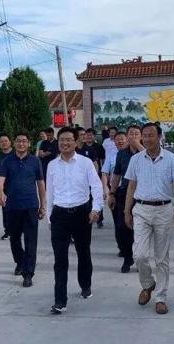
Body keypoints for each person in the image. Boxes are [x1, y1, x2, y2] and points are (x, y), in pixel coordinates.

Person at [124, 123, 174, 315]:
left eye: (151, 135)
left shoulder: (171, 159)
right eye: (144, 135)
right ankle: (148, 284)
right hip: (141, 209)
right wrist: (126, 211)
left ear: (159, 137)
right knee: (139, 255)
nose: (147, 139)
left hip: (164, 211)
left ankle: (160, 297)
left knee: (161, 257)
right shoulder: (136, 159)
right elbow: (131, 186)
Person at [46, 126, 104, 314]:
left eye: (68, 139)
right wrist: (49, 217)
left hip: (81, 213)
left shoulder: (85, 163)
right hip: (59, 214)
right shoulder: (52, 165)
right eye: (61, 140)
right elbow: (49, 192)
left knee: (83, 252)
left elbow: (96, 186)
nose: (65, 143)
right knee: (60, 259)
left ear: (76, 142)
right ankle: (60, 300)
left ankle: (85, 284)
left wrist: (96, 209)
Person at [0, 133, 46, 288]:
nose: (21, 144)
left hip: (31, 206)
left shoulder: (35, 161)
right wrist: (1, 193)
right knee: (14, 239)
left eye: (24, 141)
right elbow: (0, 179)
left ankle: (28, 274)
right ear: (14, 143)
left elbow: (40, 184)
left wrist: (43, 204)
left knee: (31, 241)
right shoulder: (7, 161)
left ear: (29, 144)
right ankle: (20, 261)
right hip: (12, 206)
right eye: (18, 141)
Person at [106, 125, 144, 273]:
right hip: (125, 193)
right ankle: (128, 257)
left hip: (143, 195)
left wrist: (138, 145)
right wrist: (112, 193)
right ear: (127, 136)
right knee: (123, 227)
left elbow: (151, 160)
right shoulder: (121, 154)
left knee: (141, 229)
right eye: (131, 134)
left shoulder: (146, 152)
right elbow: (116, 175)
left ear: (141, 136)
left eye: (136, 133)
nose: (133, 136)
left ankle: (140, 259)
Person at [101, 131, 128, 253]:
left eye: (122, 139)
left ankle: (132, 248)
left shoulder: (134, 155)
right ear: (114, 142)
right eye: (118, 139)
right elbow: (105, 173)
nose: (120, 141)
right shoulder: (111, 156)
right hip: (116, 192)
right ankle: (122, 247)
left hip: (130, 192)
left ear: (127, 140)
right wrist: (106, 190)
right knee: (118, 222)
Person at [0, 134, 14, 240]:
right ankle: (7, 231)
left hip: (16, 187)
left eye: (6, 140)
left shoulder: (16, 154)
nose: (4, 143)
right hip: (3, 187)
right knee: (5, 209)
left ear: (10, 142)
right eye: (2, 141)